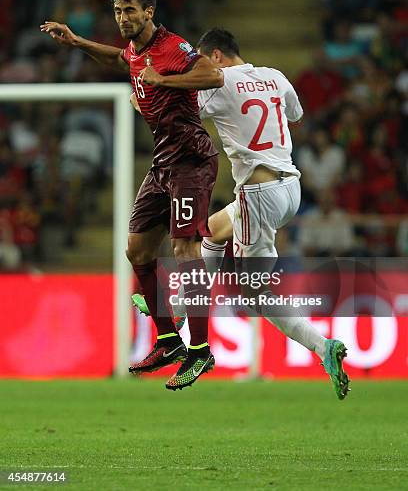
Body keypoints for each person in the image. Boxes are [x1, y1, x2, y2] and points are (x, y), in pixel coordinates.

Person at [136, 28, 350, 400]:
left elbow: (172, 112)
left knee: (256, 294)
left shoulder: (218, 83)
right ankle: (184, 307)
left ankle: (322, 346)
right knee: (213, 232)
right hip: (290, 188)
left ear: (215, 56)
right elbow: (295, 114)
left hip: (258, 193)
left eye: (202, 61)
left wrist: (144, 92)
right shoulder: (276, 76)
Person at [40, 0, 223, 391]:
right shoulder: (137, 51)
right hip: (162, 162)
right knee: (136, 249)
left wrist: (164, 81)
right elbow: (120, 60)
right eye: (118, 12)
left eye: (131, 11)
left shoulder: (173, 47)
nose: (123, 17)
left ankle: (201, 350)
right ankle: (169, 340)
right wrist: (76, 42)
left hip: (191, 160)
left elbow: (213, 76)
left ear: (149, 12)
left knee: (184, 248)